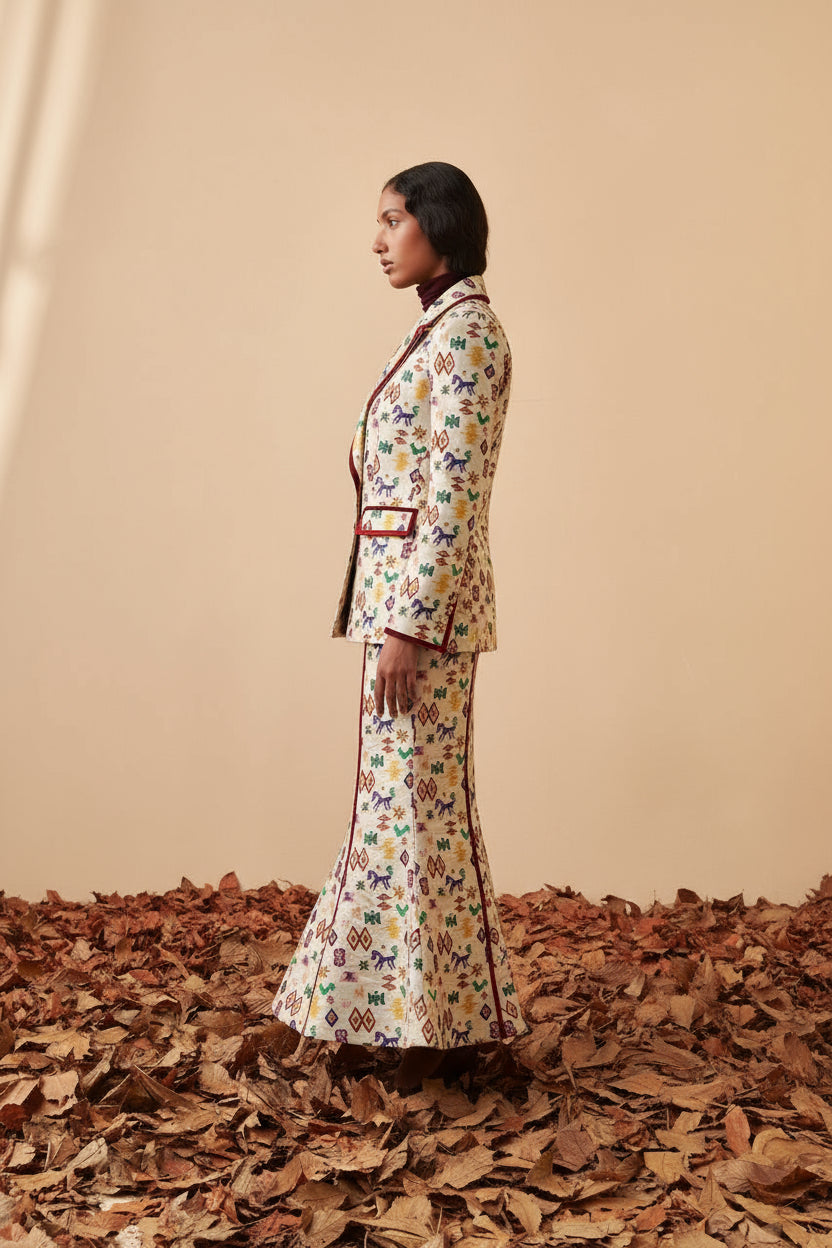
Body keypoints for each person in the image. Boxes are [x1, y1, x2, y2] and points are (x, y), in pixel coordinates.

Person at [271, 161, 529, 1092]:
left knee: (412, 819)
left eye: (392, 219)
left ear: (440, 224)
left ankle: (426, 1031)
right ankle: (417, 1022)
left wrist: (412, 627)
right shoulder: (439, 331)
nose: (378, 239)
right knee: (401, 819)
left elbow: (454, 500)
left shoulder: (465, 340)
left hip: (422, 620)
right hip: (400, 612)